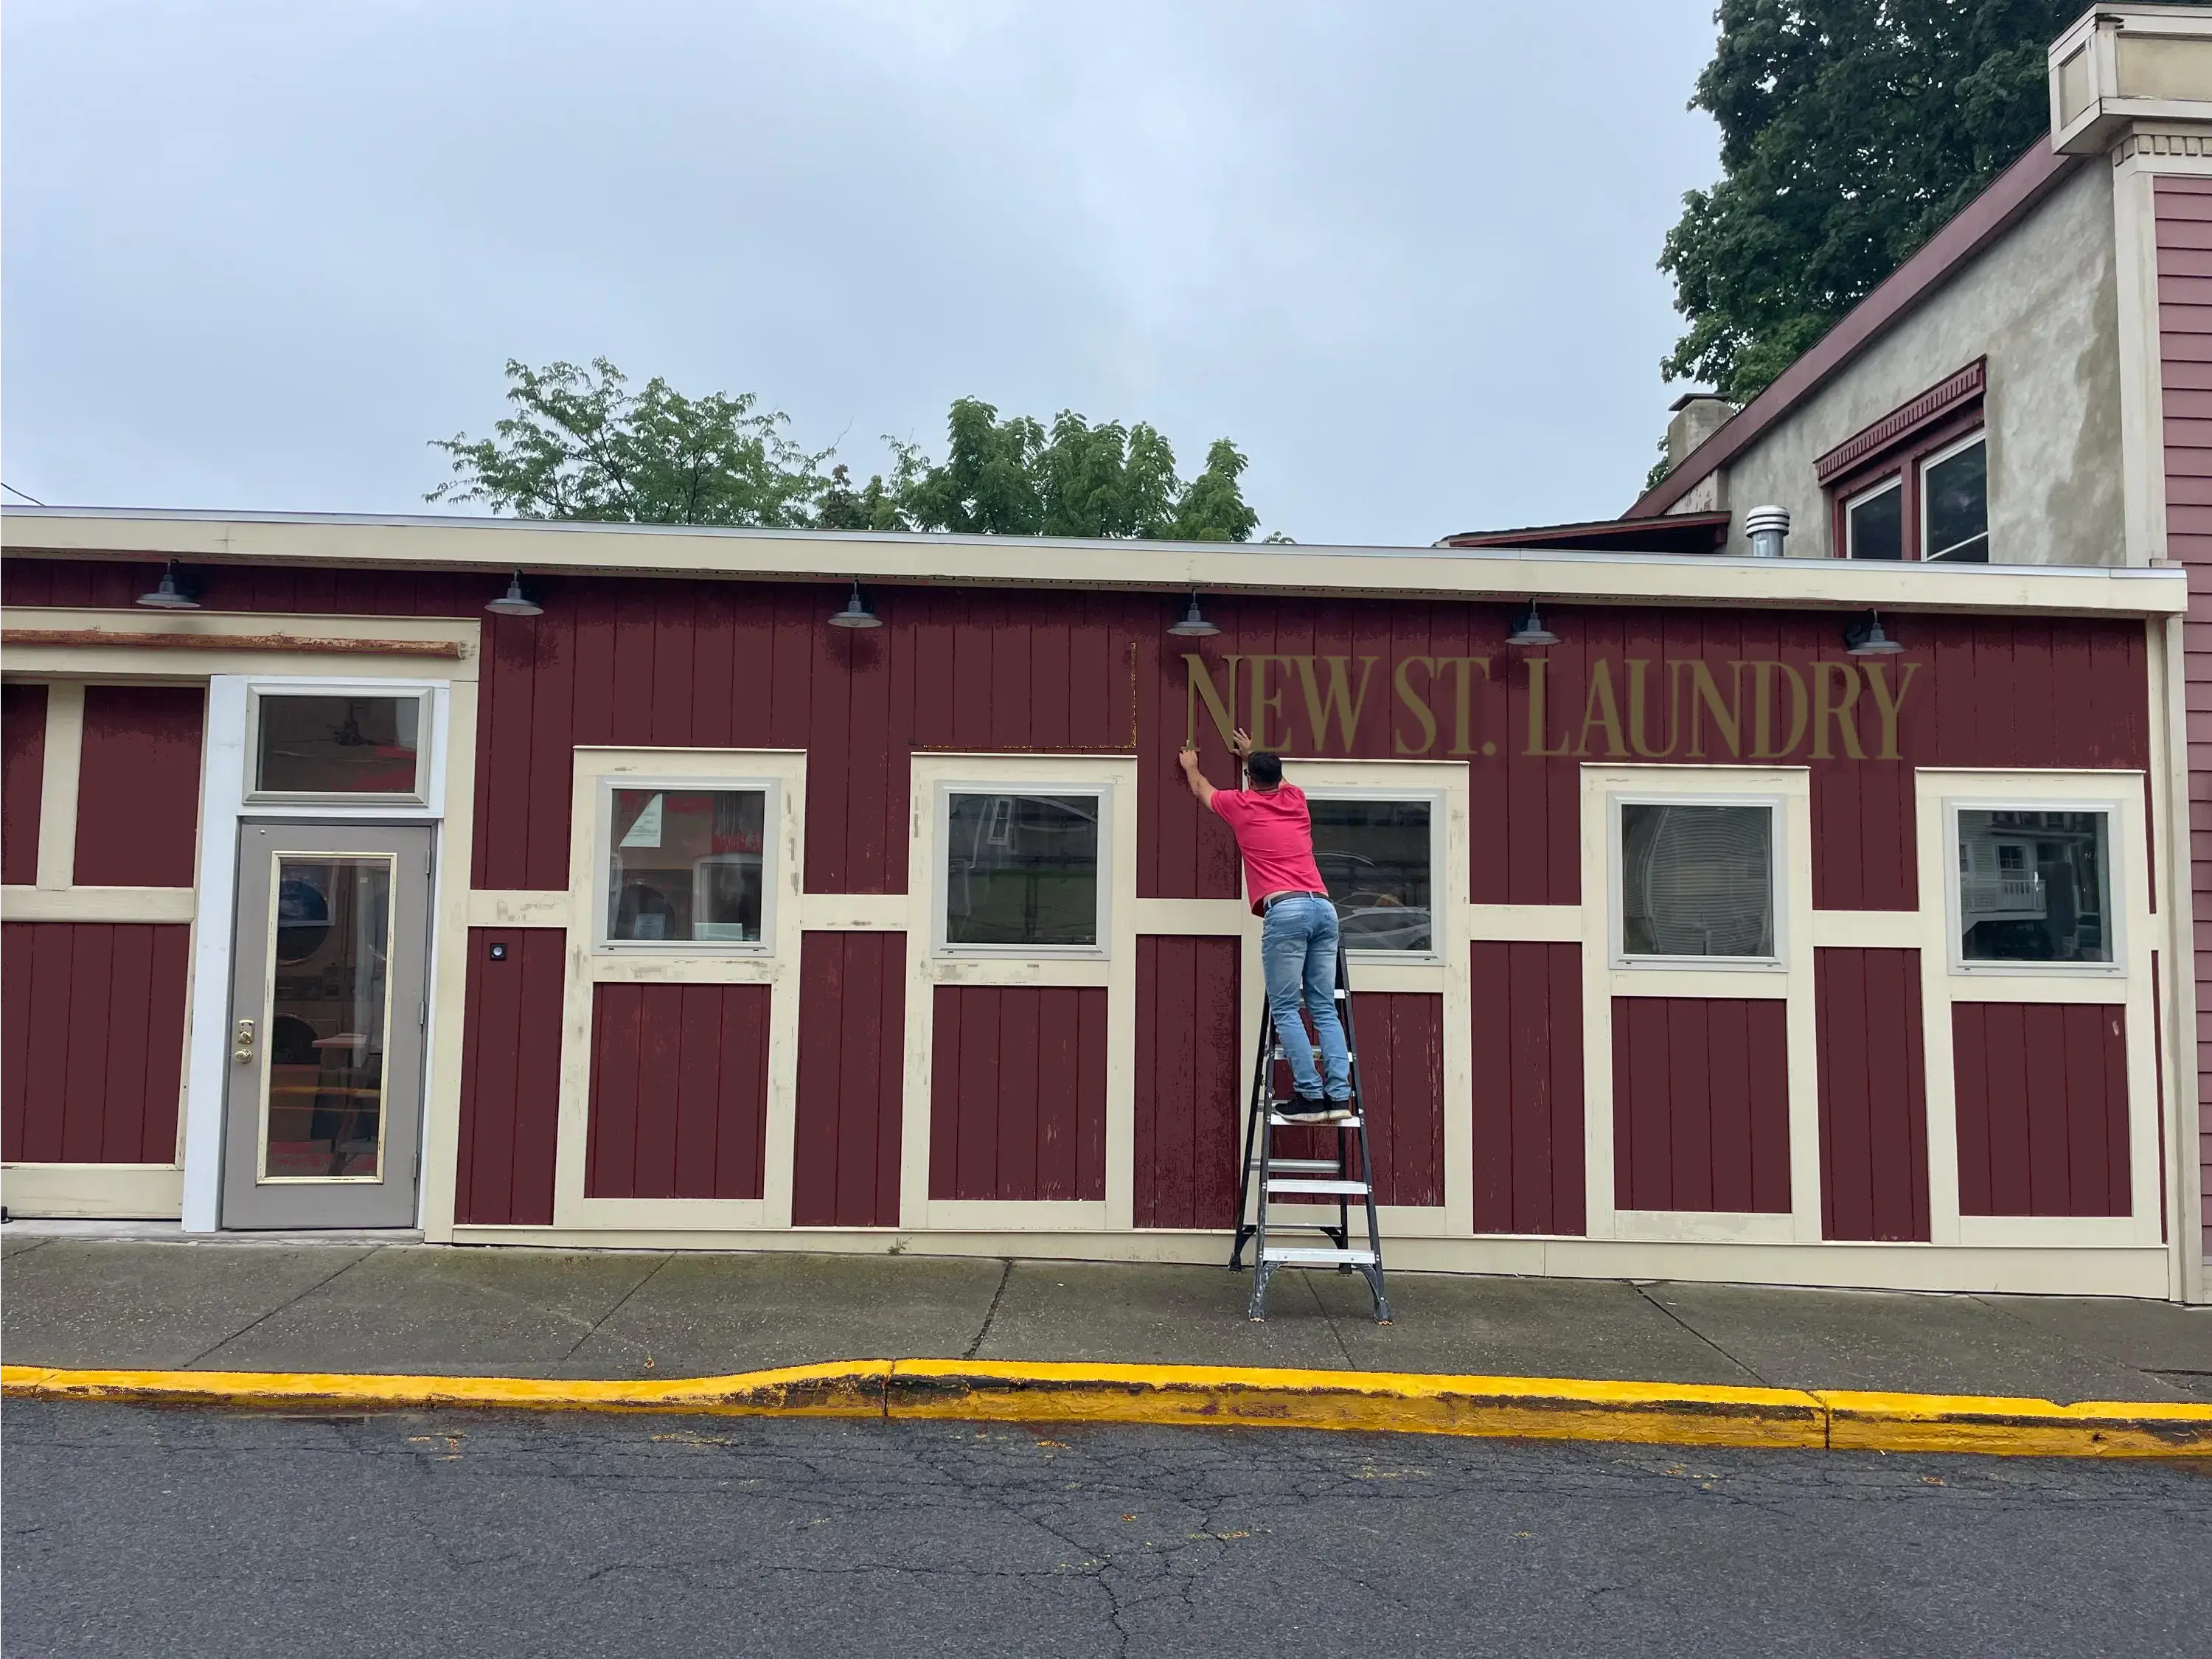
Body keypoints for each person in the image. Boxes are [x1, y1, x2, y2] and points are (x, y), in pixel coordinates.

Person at [1178, 728, 1352, 1124]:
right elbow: (1279, 780)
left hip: (1286, 909)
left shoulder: (1241, 806)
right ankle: (1338, 1096)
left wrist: (1191, 766)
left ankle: (1309, 1096)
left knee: (1287, 1007)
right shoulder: (1296, 799)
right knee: (1325, 1008)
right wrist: (1253, 753)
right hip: (1323, 908)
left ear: (1250, 780)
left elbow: (1203, 789)